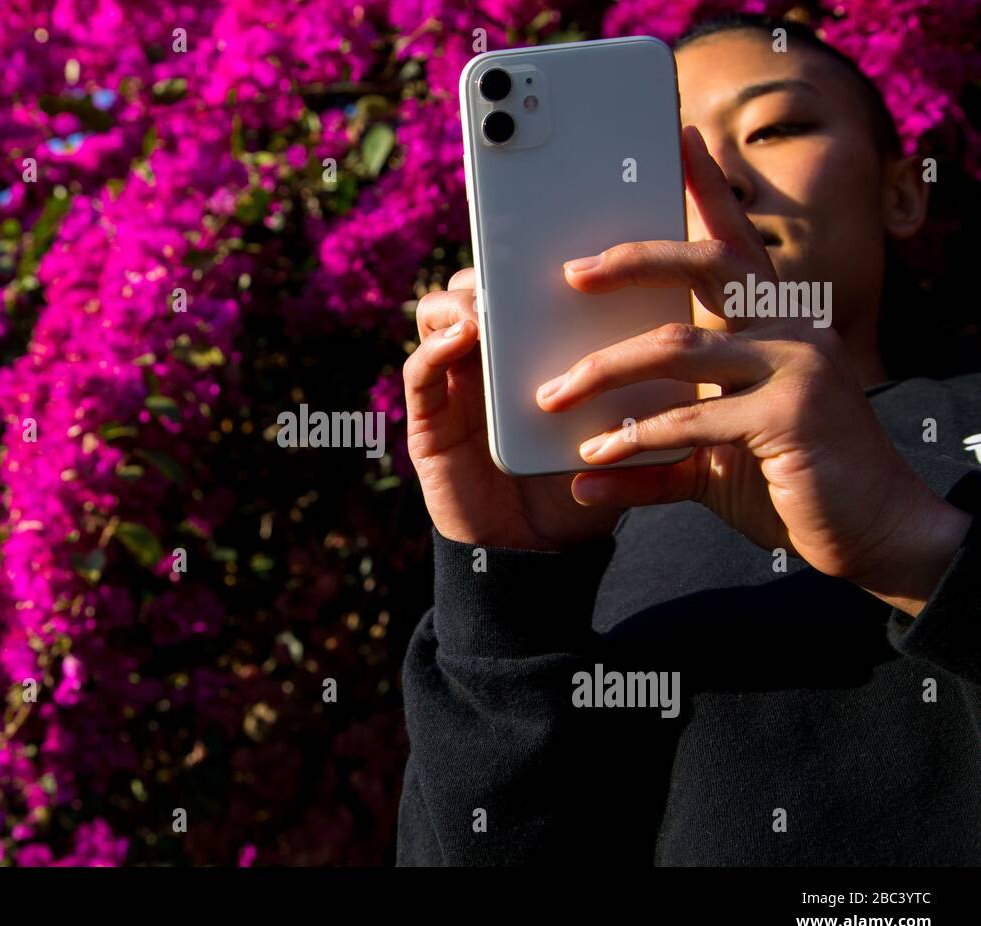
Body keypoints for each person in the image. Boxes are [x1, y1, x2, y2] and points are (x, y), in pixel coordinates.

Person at [396, 13, 981, 865]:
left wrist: (917, 549)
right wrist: (508, 604)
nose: (726, 182)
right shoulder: (576, 517)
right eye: (666, 158)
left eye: (778, 127)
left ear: (903, 192)